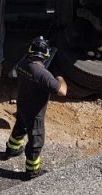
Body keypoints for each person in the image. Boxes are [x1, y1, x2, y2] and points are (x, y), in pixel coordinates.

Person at [4, 36, 67, 179]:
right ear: (46, 55)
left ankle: (12, 149)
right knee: (36, 142)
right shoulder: (43, 74)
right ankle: (32, 171)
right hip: (35, 113)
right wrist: (60, 78)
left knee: (20, 127)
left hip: (23, 105)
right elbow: (62, 91)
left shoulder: (21, 65)